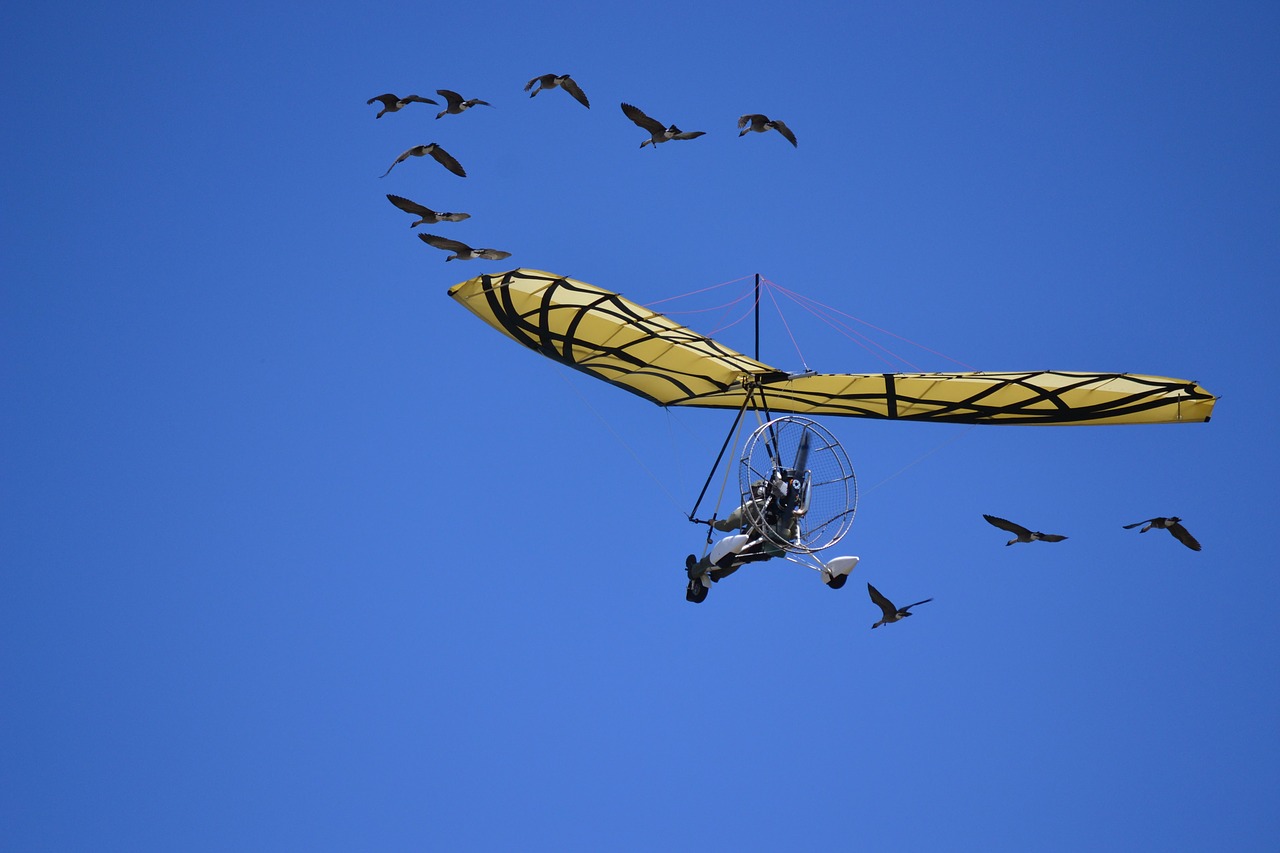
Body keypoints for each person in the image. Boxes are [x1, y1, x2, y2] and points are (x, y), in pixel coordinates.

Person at [685, 475, 802, 602]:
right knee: (739, 559)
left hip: (753, 544)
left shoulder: (756, 505)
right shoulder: (790, 513)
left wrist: (713, 523)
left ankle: (695, 570)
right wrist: (795, 542)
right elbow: (795, 533)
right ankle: (716, 574)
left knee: (732, 554)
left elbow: (728, 525)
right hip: (768, 550)